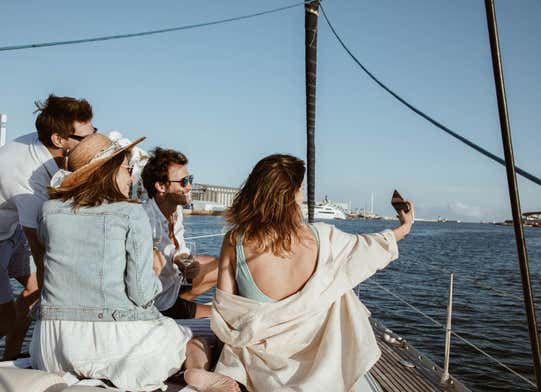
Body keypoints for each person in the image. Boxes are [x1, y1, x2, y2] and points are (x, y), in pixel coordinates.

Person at [185, 154, 414, 392]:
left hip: (257, 360)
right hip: (315, 364)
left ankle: (217, 375)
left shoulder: (236, 240)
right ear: (292, 192)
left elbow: (226, 311)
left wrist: (226, 356)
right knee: (339, 282)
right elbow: (369, 246)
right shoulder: (323, 238)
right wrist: (404, 226)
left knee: (198, 344)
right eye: (300, 188)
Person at [30, 133, 212, 391]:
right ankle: (197, 376)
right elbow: (140, 294)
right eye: (128, 169)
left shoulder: (49, 211)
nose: (131, 177)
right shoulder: (130, 213)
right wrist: (156, 277)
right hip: (106, 339)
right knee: (193, 342)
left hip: (50, 344)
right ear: (109, 171)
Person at [0, 94, 96, 363]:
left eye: (94, 133)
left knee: (33, 292)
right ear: (59, 140)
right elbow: (39, 247)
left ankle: (9, 360)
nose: (93, 142)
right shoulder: (26, 178)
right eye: (86, 138)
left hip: (9, 228)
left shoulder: (46, 145)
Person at [141, 147, 218, 319]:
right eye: (183, 182)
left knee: (219, 266)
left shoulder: (176, 212)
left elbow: (179, 251)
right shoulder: (144, 220)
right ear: (161, 186)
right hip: (157, 303)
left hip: (172, 287)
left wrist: (187, 263)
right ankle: (175, 317)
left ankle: (182, 306)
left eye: (190, 179)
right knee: (220, 318)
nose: (189, 186)